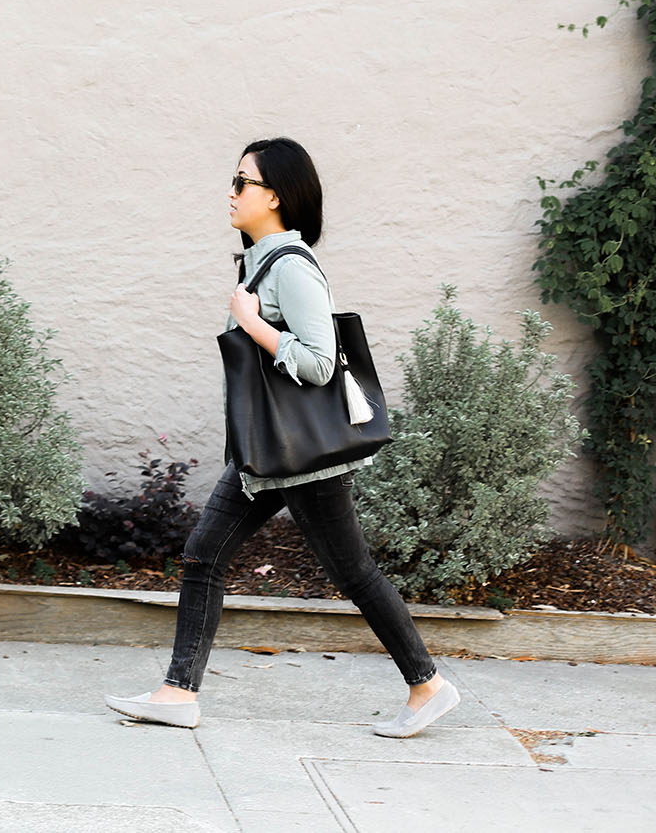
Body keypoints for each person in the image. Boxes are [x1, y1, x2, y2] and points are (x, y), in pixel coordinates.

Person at [104, 137, 459, 738]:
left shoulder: (290, 268)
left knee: (354, 574)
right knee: (202, 553)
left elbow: (321, 362)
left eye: (242, 182)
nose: (232, 192)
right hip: (266, 455)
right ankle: (178, 692)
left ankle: (427, 685)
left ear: (274, 195)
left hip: (304, 461)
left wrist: (251, 324)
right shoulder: (262, 261)